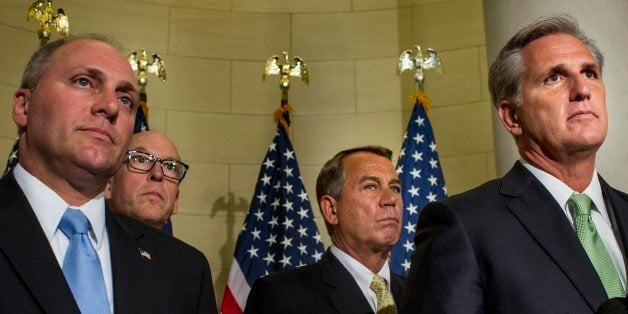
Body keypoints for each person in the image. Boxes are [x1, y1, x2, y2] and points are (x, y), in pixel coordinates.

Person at [401, 15, 628, 313]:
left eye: (589, 73)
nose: (582, 90)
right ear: (511, 116)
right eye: (554, 77)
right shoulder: (464, 226)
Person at [0, 34, 217, 313]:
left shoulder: (184, 270)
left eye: (125, 99)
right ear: (23, 106)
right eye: (84, 82)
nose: (111, 106)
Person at [245, 146, 405, 313]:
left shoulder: (420, 293)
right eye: (371, 186)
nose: (391, 199)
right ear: (331, 210)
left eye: (395, 188)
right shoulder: (280, 295)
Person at [105, 131, 185, 230]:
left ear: (176, 200)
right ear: (108, 185)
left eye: (169, 166)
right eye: (141, 159)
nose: (157, 174)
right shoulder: (81, 243)